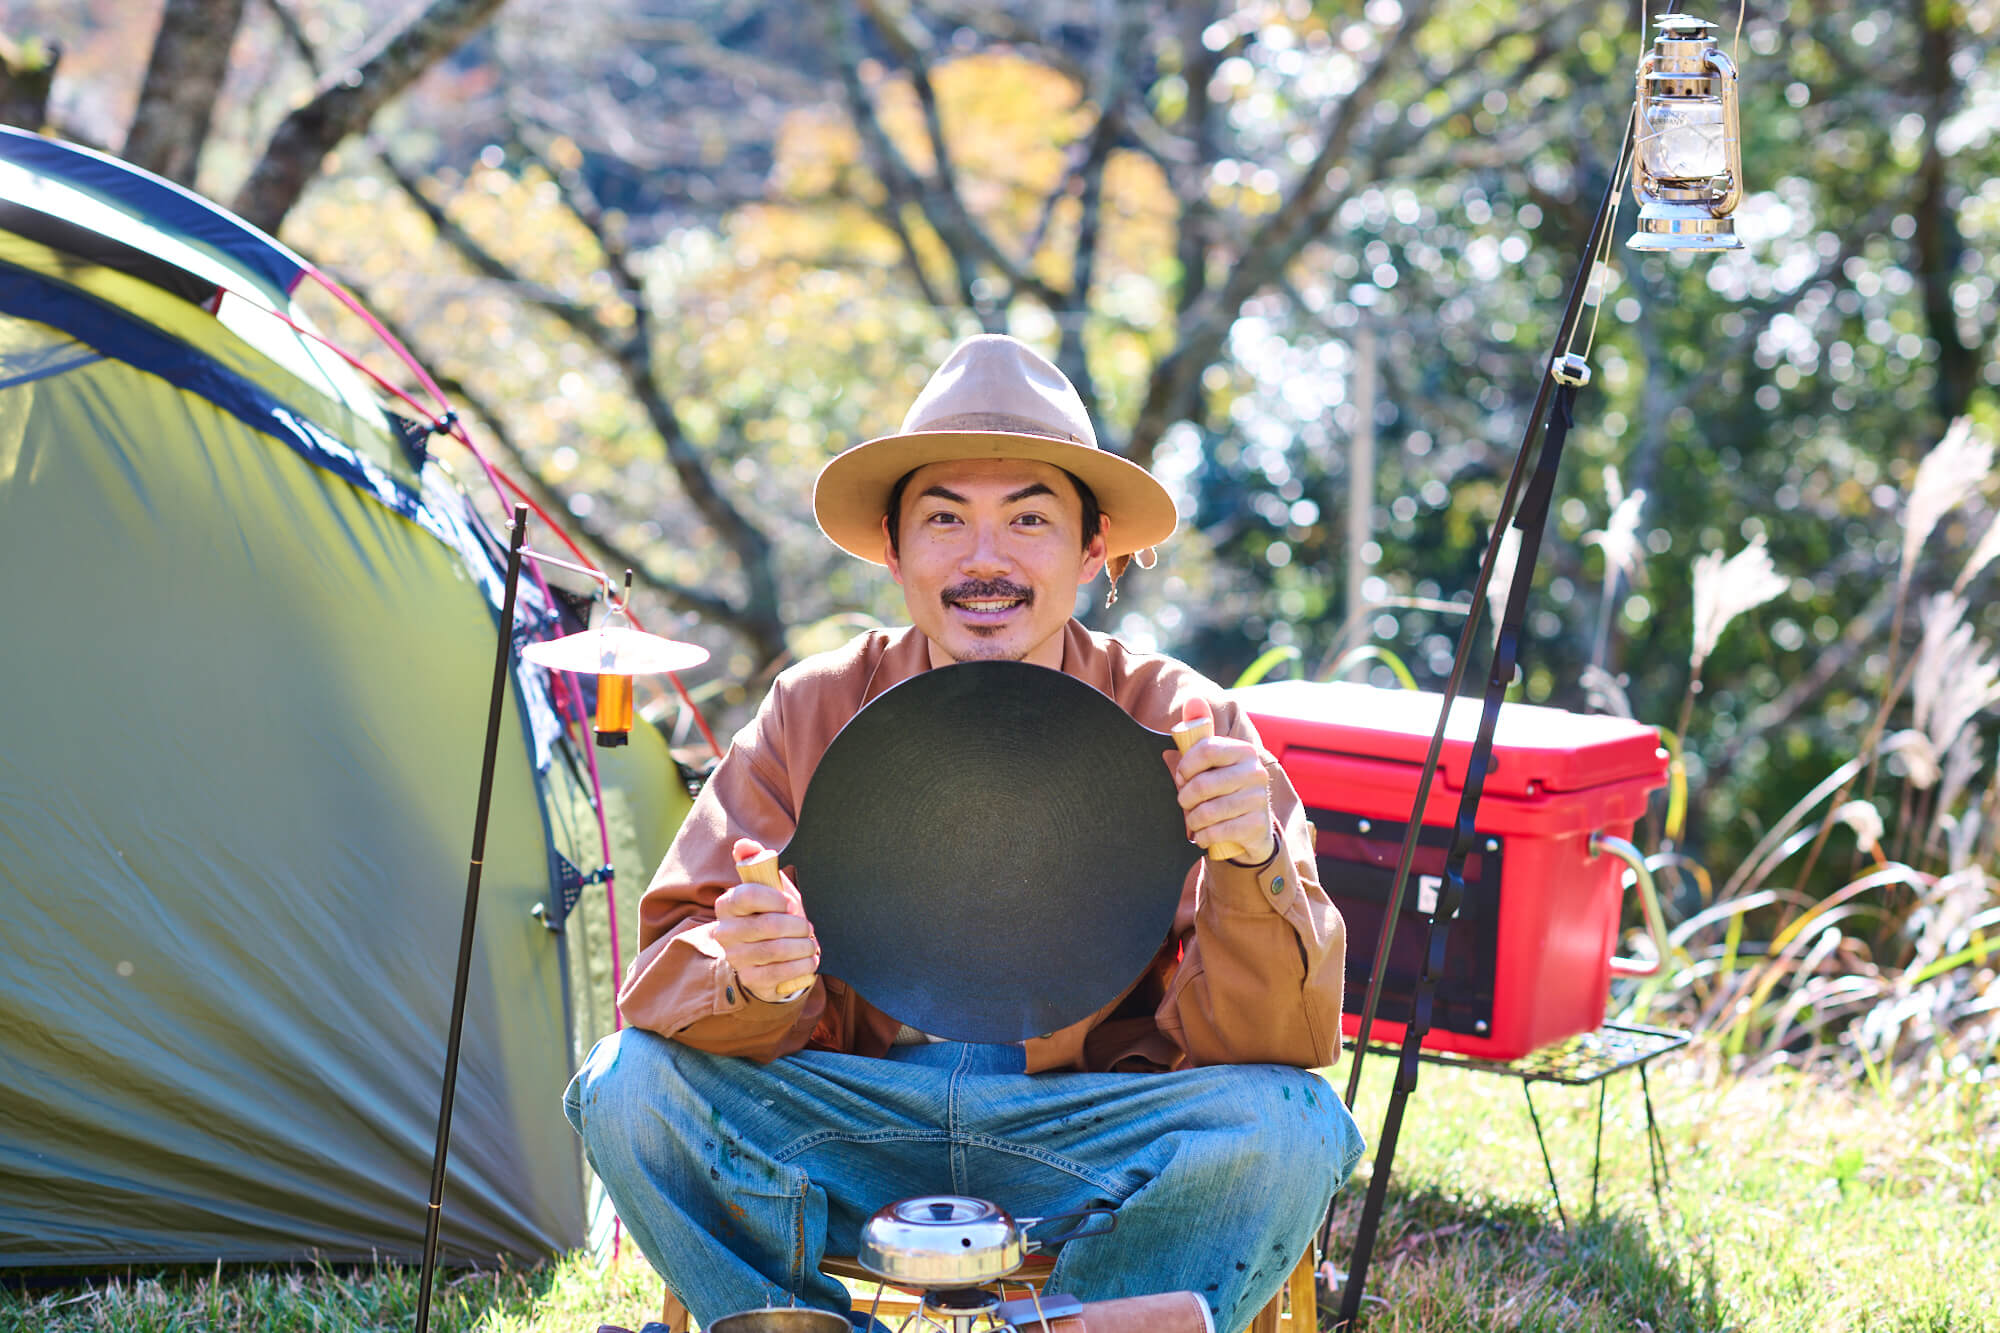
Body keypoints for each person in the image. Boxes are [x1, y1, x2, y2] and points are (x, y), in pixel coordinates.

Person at [565, 335, 1364, 1332]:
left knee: (1286, 1129)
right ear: (893, 549)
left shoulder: (1181, 718)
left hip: (1073, 1127)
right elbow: (669, 973)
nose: (985, 560)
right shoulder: (812, 708)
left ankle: (1083, 1321)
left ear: (1091, 550)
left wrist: (1250, 864)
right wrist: (748, 977)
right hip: (850, 1114)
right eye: (944, 519)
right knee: (626, 1088)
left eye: (1028, 518)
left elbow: (1275, 1040)